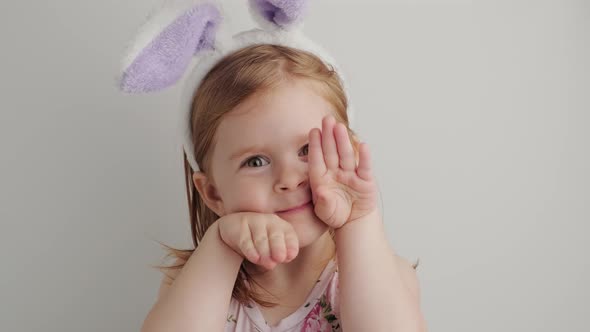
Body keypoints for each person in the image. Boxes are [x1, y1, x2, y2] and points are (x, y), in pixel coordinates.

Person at [118, 1, 426, 331]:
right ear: (212, 193)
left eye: (308, 149)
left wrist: (358, 220)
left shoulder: (382, 274)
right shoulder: (196, 281)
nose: (289, 179)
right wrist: (221, 244)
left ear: (346, 150)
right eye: (256, 161)